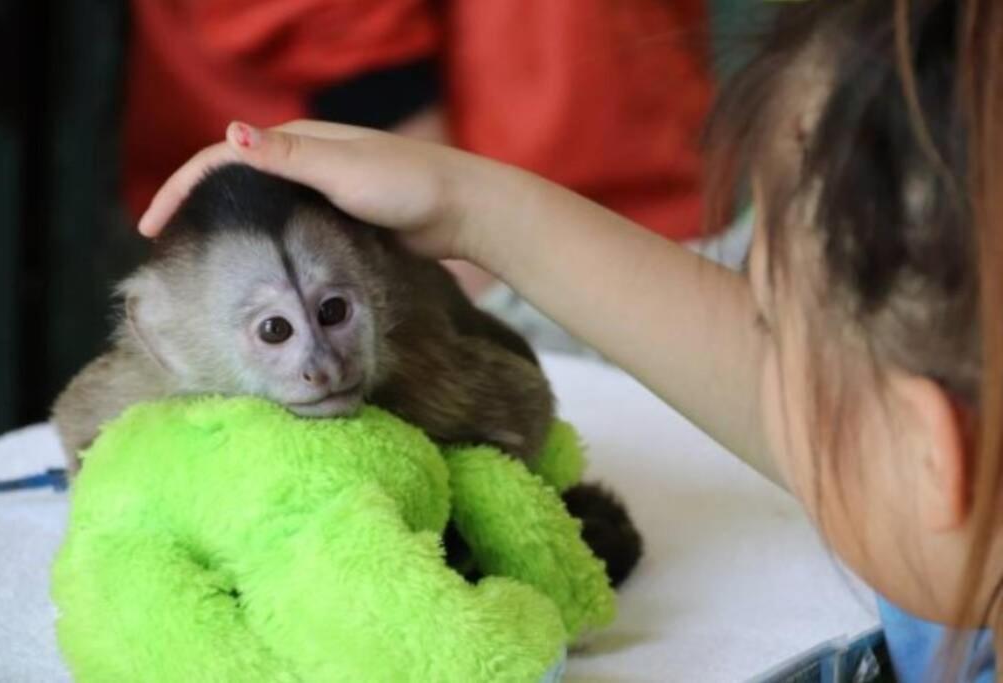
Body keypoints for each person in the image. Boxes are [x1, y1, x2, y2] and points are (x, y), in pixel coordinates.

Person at [137, 0, 1000, 680]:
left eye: (766, 323)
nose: (747, 350)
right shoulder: (958, 535)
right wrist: (469, 206)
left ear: (932, 459)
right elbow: (829, 427)